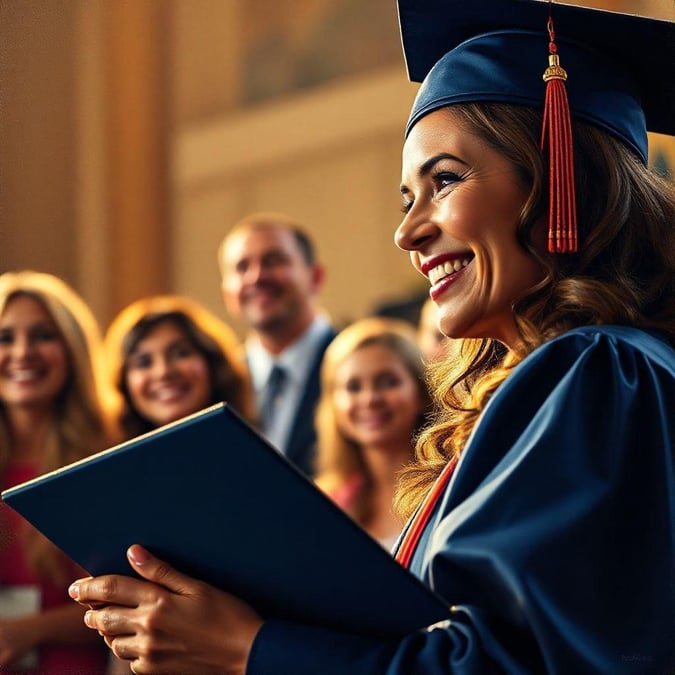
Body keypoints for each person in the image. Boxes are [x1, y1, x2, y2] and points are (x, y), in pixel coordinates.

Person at [69, 1, 675, 672]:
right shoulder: (579, 380)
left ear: (565, 182)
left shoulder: (596, 371)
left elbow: (505, 665)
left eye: (443, 180)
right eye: (404, 199)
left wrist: (248, 646)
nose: (407, 232)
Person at [0, 270, 110, 673]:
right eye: (5, 338)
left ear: (72, 349)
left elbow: (130, 600)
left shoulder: (105, 457)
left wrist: (30, 630)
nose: (22, 352)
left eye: (43, 335)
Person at [217, 212, 336, 477]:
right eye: (241, 267)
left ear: (315, 276)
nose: (256, 277)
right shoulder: (220, 382)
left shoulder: (357, 368)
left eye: (273, 261)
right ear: (227, 293)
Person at [314, 317, 431, 550]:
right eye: (353, 387)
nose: (370, 399)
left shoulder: (451, 481)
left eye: (387, 382)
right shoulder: (324, 505)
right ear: (333, 406)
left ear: (420, 392)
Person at [104, 294, 254, 438]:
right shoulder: (109, 462)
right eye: (144, 362)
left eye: (181, 353)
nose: (163, 372)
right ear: (123, 382)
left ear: (212, 362)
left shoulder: (257, 448)